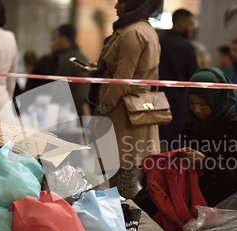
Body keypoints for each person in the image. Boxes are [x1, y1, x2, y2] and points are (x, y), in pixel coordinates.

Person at [135, 67, 237, 214]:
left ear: (216, 99)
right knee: (144, 201)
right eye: (192, 103)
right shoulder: (191, 125)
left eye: (202, 104)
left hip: (227, 200)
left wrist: (203, 161)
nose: (196, 110)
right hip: (195, 192)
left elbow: (236, 176)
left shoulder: (235, 126)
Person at [87, 0, 163, 199]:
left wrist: (103, 109)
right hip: (135, 109)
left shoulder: (132, 33)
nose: (116, 6)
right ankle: (129, 224)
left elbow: (123, 79)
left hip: (123, 113)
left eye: (121, 1)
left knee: (123, 181)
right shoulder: (144, 29)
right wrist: (102, 70)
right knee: (124, 176)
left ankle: (130, 224)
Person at [26, 24, 90, 118]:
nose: (53, 43)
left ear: (64, 38)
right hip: (79, 109)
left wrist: (52, 106)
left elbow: (61, 87)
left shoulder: (67, 58)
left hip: (67, 111)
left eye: (56, 39)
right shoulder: (82, 57)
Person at [158, 9, 199, 152]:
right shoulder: (187, 48)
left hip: (154, 103)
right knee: (175, 152)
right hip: (178, 109)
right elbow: (195, 80)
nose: (193, 28)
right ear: (181, 23)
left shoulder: (158, 42)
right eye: (191, 24)